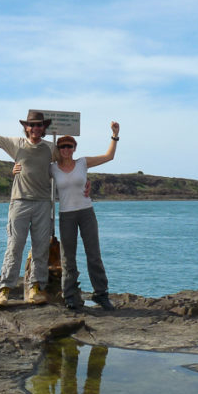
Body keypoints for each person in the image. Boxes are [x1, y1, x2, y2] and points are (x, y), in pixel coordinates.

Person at [0, 100, 58, 306]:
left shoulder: (51, 148)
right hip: (20, 202)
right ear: (26, 127)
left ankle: (36, 288)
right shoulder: (16, 144)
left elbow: (67, 164)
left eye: (39, 125)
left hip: (44, 204)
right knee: (14, 246)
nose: (36, 128)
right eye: (32, 125)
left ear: (44, 128)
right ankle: (5, 289)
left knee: (40, 248)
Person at [47, 122, 120, 310]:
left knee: (93, 254)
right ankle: (70, 295)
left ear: (74, 148)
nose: (65, 149)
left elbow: (109, 156)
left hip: (86, 212)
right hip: (66, 215)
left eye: (69, 146)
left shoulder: (83, 163)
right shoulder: (52, 168)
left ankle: (101, 294)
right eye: (62, 146)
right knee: (68, 257)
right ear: (58, 149)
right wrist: (17, 168)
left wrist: (114, 135)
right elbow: (33, 171)